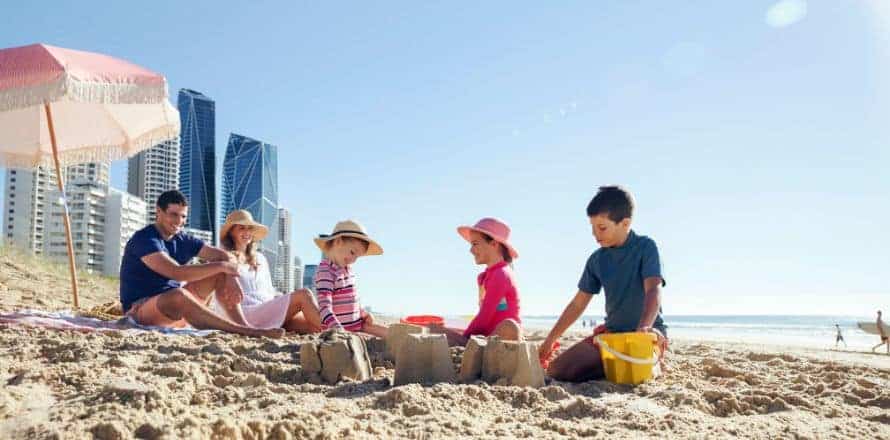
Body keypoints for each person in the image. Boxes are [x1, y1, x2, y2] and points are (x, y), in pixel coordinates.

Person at [538, 186, 666, 382]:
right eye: (592, 227)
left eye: (602, 227)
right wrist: (550, 340)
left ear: (625, 223)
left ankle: (647, 364)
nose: (595, 233)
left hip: (645, 336)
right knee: (558, 371)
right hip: (612, 336)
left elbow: (653, 289)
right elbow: (577, 304)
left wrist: (644, 328)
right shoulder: (597, 260)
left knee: (634, 374)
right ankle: (611, 365)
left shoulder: (645, 247)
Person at [119, 190, 283, 338]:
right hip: (142, 310)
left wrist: (230, 275)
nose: (179, 221)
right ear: (158, 212)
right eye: (173, 214)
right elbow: (176, 272)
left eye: (183, 216)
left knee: (218, 274)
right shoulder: (145, 239)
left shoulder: (182, 239)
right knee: (179, 295)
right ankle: (245, 331)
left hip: (176, 311)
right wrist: (222, 266)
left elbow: (224, 256)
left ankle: (244, 326)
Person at [217, 210, 322, 333]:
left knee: (310, 324)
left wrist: (281, 301)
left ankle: (335, 341)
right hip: (245, 313)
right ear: (231, 232)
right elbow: (220, 295)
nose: (246, 232)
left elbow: (269, 292)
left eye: (249, 228)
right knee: (305, 295)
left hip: (267, 310)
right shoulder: (224, 257)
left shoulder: (260, 258)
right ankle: (339, 338)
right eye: (241, 228)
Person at [432, 218, 523, 346]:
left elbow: (485, 316)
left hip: (503, 338)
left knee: (509, 327)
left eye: (475, 244)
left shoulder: (501, 274)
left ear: (494, 244)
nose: (471, 250)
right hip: (487, 337)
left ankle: (467, 345)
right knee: (435, 328)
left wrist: (464, 339)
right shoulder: (485, 277)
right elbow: (485, 315)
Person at [313, 220, 388, 337]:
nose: (353, 260)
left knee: (390, 333)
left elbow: (352, 300)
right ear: (338, 241)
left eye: (357, 257)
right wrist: (338, 330)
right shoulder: (326, 271)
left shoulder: (348, 270)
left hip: (358, 325)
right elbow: (324, 308)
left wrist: (363, 314)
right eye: (352, 252)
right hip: (340, 332)